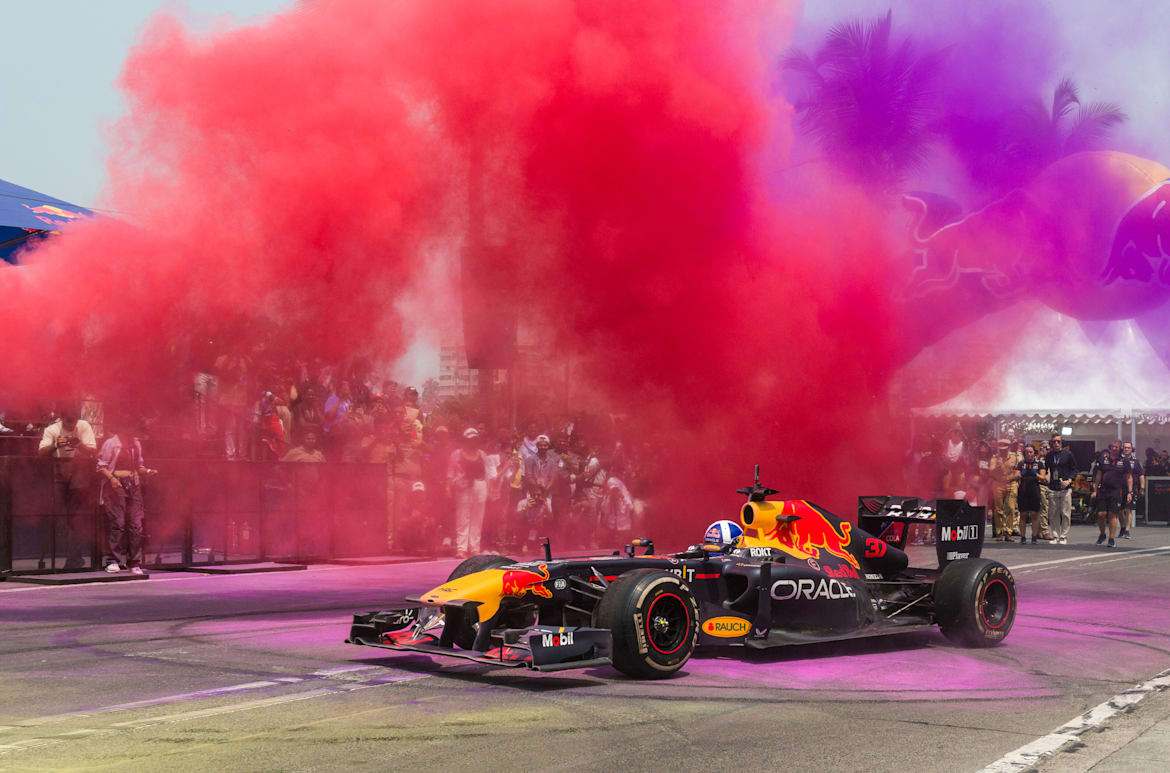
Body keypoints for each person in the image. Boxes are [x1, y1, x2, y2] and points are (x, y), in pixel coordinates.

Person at [38, 406, 98, 569]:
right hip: (59, 471)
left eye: (74, 421)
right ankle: (59, 554)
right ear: (62, 419)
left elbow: (93, 450)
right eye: (68, 421)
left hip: (79, 471)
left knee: (76, 517)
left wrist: (78, 444)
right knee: (60, 516)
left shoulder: (84, 426)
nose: (72, 425)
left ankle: (74, 557)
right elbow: (41, 452)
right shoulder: (52, 429)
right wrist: (56, 444)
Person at [96, 418, 158, 574]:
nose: (132, 433)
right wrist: (112, 479)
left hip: (133, 484)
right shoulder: (112, 443)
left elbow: (139, 465)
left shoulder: (135, 444)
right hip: (116, 484)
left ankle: (134, 562)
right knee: (118, 523)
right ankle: (113, 560)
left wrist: (147, 471)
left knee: (136, 524)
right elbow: (100, 465)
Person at [448, 427, 490, 557]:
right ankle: (461, 548)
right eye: (471, 439)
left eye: (475, 439)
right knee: (462, 518)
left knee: (477, 519)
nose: (473, 442)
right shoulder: (456, 454)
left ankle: (474, 548)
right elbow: (450, 473)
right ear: (465, 440)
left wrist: (489, 489)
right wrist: (448, 488)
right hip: (463, 486)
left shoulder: (482, 454)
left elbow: (487, 473)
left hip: (479, 485)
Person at [520, 434, 558, 549]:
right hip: (532, 492)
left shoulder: (551, 461)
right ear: (537, 446)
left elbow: (553, 478)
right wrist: (537, 490)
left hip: (546, 493)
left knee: (546, 517)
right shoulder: (530, 459)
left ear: (548, 446)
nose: (543, 447)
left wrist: (545, 491)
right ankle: (527, 543)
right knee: (530, 518)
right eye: (540, 445)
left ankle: (541, 544)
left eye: (545, 445)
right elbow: (528, 476)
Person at [1092, 440, 1131, 548]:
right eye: (1112, 447)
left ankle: (1111, 538)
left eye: (1116, 447)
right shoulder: (1103, 459)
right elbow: (1098, 475)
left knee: (1112, 514)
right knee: (1101, 514)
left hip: (1116, 491)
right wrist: (1095, 490)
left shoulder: (1125, 461)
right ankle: (1102, 534)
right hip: (1103, 490)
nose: (1114, 449)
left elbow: (1129, 477)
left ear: (1120, 449)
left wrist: (1129, 492)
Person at [1044, 434, 1077, 545]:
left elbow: (1074, 469)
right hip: (1053, 487)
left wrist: (1069, 480)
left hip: (1065, 488)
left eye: (1058, 441)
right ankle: (1055, 535)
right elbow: (1046, 470)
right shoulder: (1049, 455)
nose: (1056, 444)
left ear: (1062, 442)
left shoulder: (1068, 454)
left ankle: (1063, 535)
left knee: (1065, 513)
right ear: (1051, 443)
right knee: (1053, 513)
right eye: (1054, 442)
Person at [1016, 444, 1048, 544]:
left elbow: (1043, 478)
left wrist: (1035, 473)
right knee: (1023, 514)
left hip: (1035, 489)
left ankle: (1034, 536)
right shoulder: (1021, 464)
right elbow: (1016, 476)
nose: (1029, 454)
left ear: (1034, 453)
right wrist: (1022, 473)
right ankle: (1023, 537)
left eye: (1031, 452)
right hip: (1023, 490)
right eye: (1027, 452)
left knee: (1034, 514)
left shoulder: (1039, 464)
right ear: (1024, 453)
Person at [989, 439, 1020, 542]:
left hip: (1011, 483)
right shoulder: (994, 458)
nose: (1003, 451)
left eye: (1005, 448)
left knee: (1011, 508)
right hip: (998, 484)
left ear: (1008, 447)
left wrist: (1009, 479)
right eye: (1001, 449)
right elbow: (991, 472)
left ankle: (1009, 532)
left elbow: (1018, 472)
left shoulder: (1014, 457)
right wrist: (999, 465)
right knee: (998, 509)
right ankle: (999, 532)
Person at [1120, 441, 1143, 539]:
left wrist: (1142, 488)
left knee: (1128, 509)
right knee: (1120, 510)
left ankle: (1127, 530)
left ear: (1131, 449)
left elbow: (1141, 475)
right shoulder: (1119, 460)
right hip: (1119, 487)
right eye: (1125, 447)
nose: (1126, 449)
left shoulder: (1135, 461)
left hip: (1131, 488)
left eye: (1128, 448)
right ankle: (1122, 527)